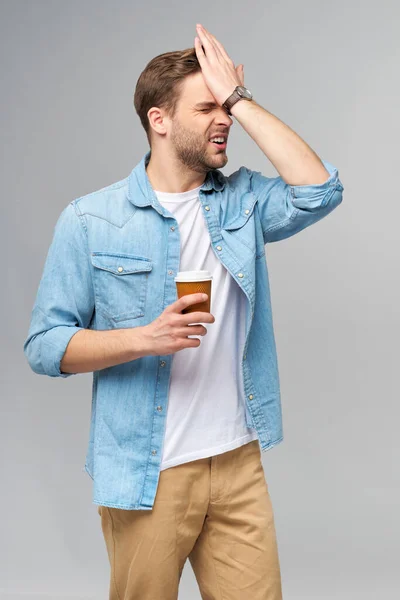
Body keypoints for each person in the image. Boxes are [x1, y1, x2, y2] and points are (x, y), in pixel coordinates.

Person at [23, 23, 344, 600]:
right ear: (159, 120)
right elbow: (45, 347)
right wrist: (143, 339)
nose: (223, 119)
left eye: (226, 107)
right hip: (152, 471)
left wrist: (241, 100)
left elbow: (320, 190)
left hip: (237, 461)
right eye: (207, 108)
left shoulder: (243, 200)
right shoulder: (91, 220)